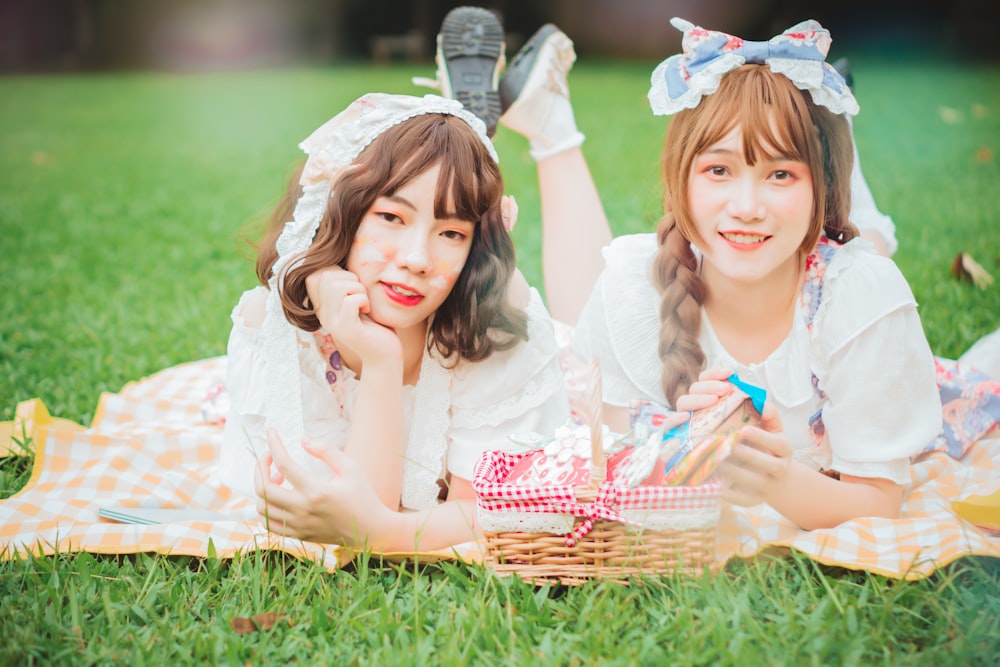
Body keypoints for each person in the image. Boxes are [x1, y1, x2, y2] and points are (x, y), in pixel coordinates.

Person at [216, 92, 570, 552]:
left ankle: (551, 123)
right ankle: (461, 110)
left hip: (555, 378)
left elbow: (486, 507)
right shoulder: (271, 324)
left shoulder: (494, 320)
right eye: (389, 216)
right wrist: (381, 361)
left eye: (451, 233)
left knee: (585, 327)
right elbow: (340, 510)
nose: (417, 259)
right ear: (339, 214)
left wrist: (389, 533)